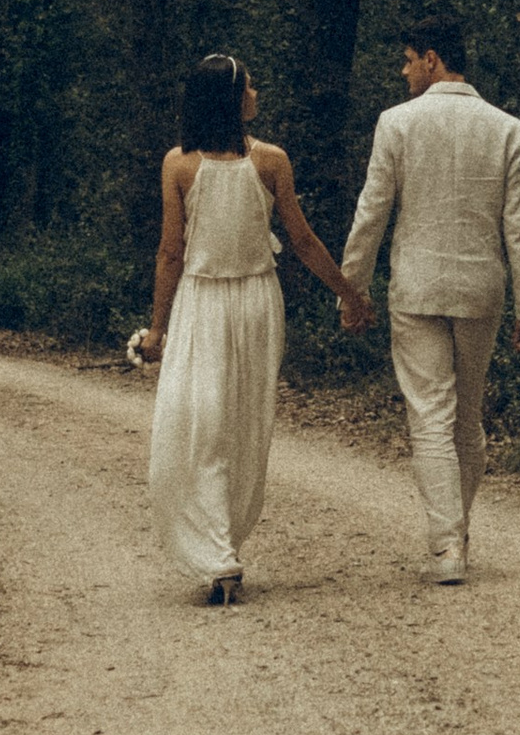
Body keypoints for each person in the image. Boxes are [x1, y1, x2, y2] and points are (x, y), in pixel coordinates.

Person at [136, 52, 367, 604]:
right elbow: (172, 254)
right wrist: (159, 330)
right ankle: (219, 552)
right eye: (251, 85)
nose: (257, 94)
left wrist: (349, 292)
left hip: (246, 299)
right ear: (232, 98)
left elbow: (301, 241)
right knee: (207, 419)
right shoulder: (185, 165)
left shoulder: (263, 162)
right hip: (212, 301)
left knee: (238, 424)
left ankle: (221, 546)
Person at [338, 14, 520, 585]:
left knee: (430, 417)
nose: (403, 72)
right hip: (481, 288)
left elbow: (372, 211)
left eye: (408, 60)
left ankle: (448, 546)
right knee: (466, 419)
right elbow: (518, 225)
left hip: (419, 287)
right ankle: (455, 534)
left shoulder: (397, 123)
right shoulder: (505, 128)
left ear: (432, 58)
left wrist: (353, 290)